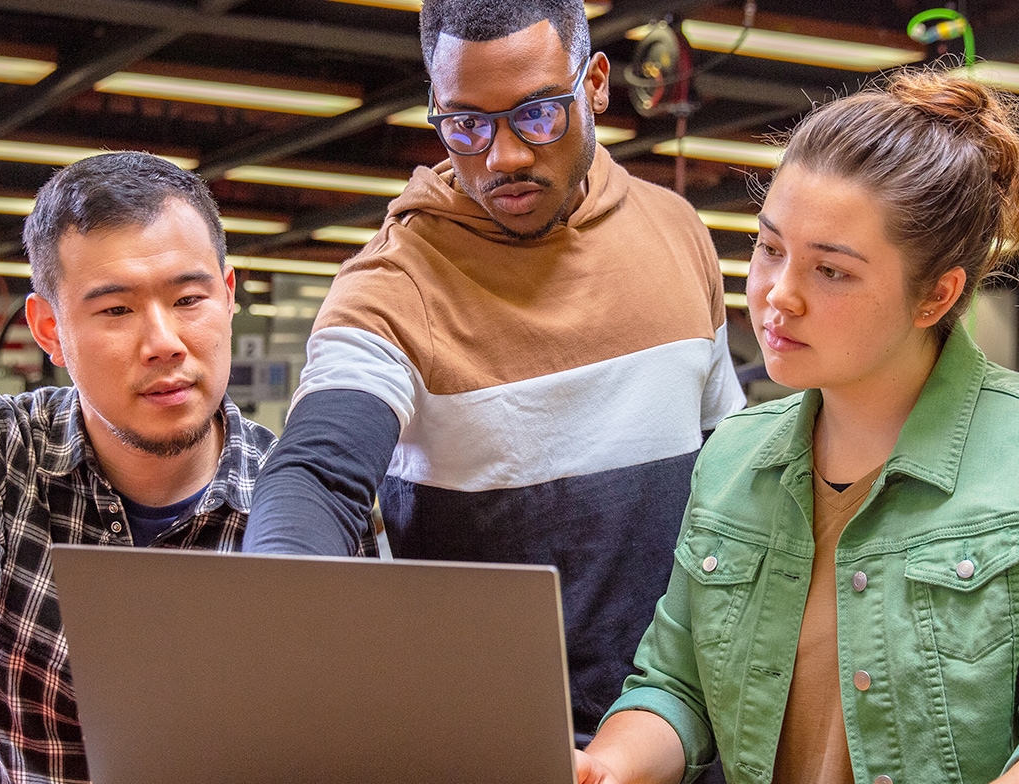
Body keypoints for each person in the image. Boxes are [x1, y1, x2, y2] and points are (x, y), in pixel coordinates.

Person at [575, 69, 1019, 784]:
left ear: (937, 294)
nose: (777, 295)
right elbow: (675, 687)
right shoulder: (734, 456)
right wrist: (605, 766)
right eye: (769, 248)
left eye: (832, 271)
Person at [243, 0, 745, 742]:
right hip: (492, 743)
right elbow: (317, 471)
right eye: (466, 125)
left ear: (597, 84)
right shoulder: (395, 283)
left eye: (538, 114)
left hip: (684, 729)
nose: (502, 156)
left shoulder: (677, 233)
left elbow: (730, 472)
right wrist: (282, 604)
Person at [0, 152, 275, 784]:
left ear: (228, 297)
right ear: (49, 328)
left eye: (188, 299)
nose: (164, 341)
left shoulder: (295, 489)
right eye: (116, 310)